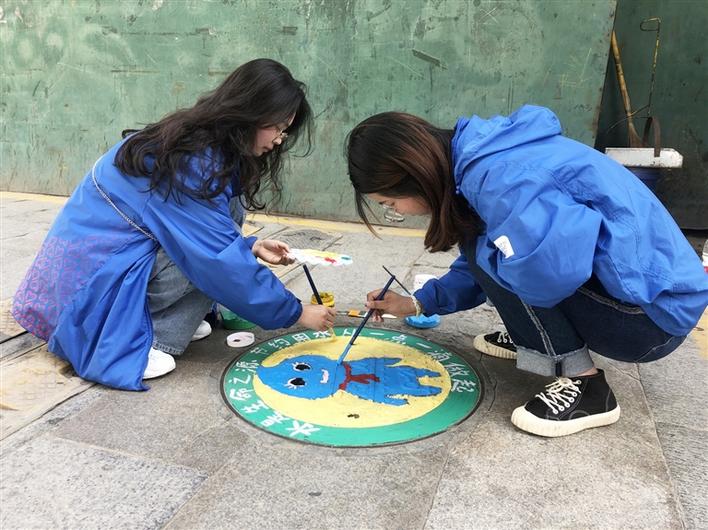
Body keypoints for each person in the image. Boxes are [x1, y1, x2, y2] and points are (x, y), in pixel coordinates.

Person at [346, 105, 708, 437]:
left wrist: (495, 261)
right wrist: (418, 303)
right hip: (648, 298)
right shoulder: (481, 156)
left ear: (414, 174)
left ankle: (587, 386)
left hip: (648, 322)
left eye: (390, 203)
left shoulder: (497, 178)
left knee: (501, 253)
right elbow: (496, 257)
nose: (397, 212)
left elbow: (551, 272)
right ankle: (532, 338)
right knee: (492, 246)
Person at [12, 58, 336, 391]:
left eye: (285, 131)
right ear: (250, 113)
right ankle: (140, 338)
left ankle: (159, 320)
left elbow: (204, 230)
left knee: (226, 217)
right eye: (277, 127)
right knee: (210, 260)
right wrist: (295, 312)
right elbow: (217, 260)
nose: (280, 139)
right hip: (85, 298)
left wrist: (249, 246)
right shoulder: (192, 163)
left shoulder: (200, 143)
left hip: (98, 270)